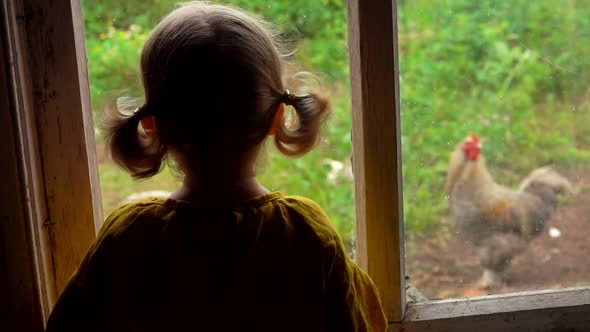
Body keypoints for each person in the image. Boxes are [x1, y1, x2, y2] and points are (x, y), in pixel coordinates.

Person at [45, 2, 387, 331]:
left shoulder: (128, 238)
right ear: (277, 116)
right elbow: (362, 319)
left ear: (152, 125)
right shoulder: (306, 233)